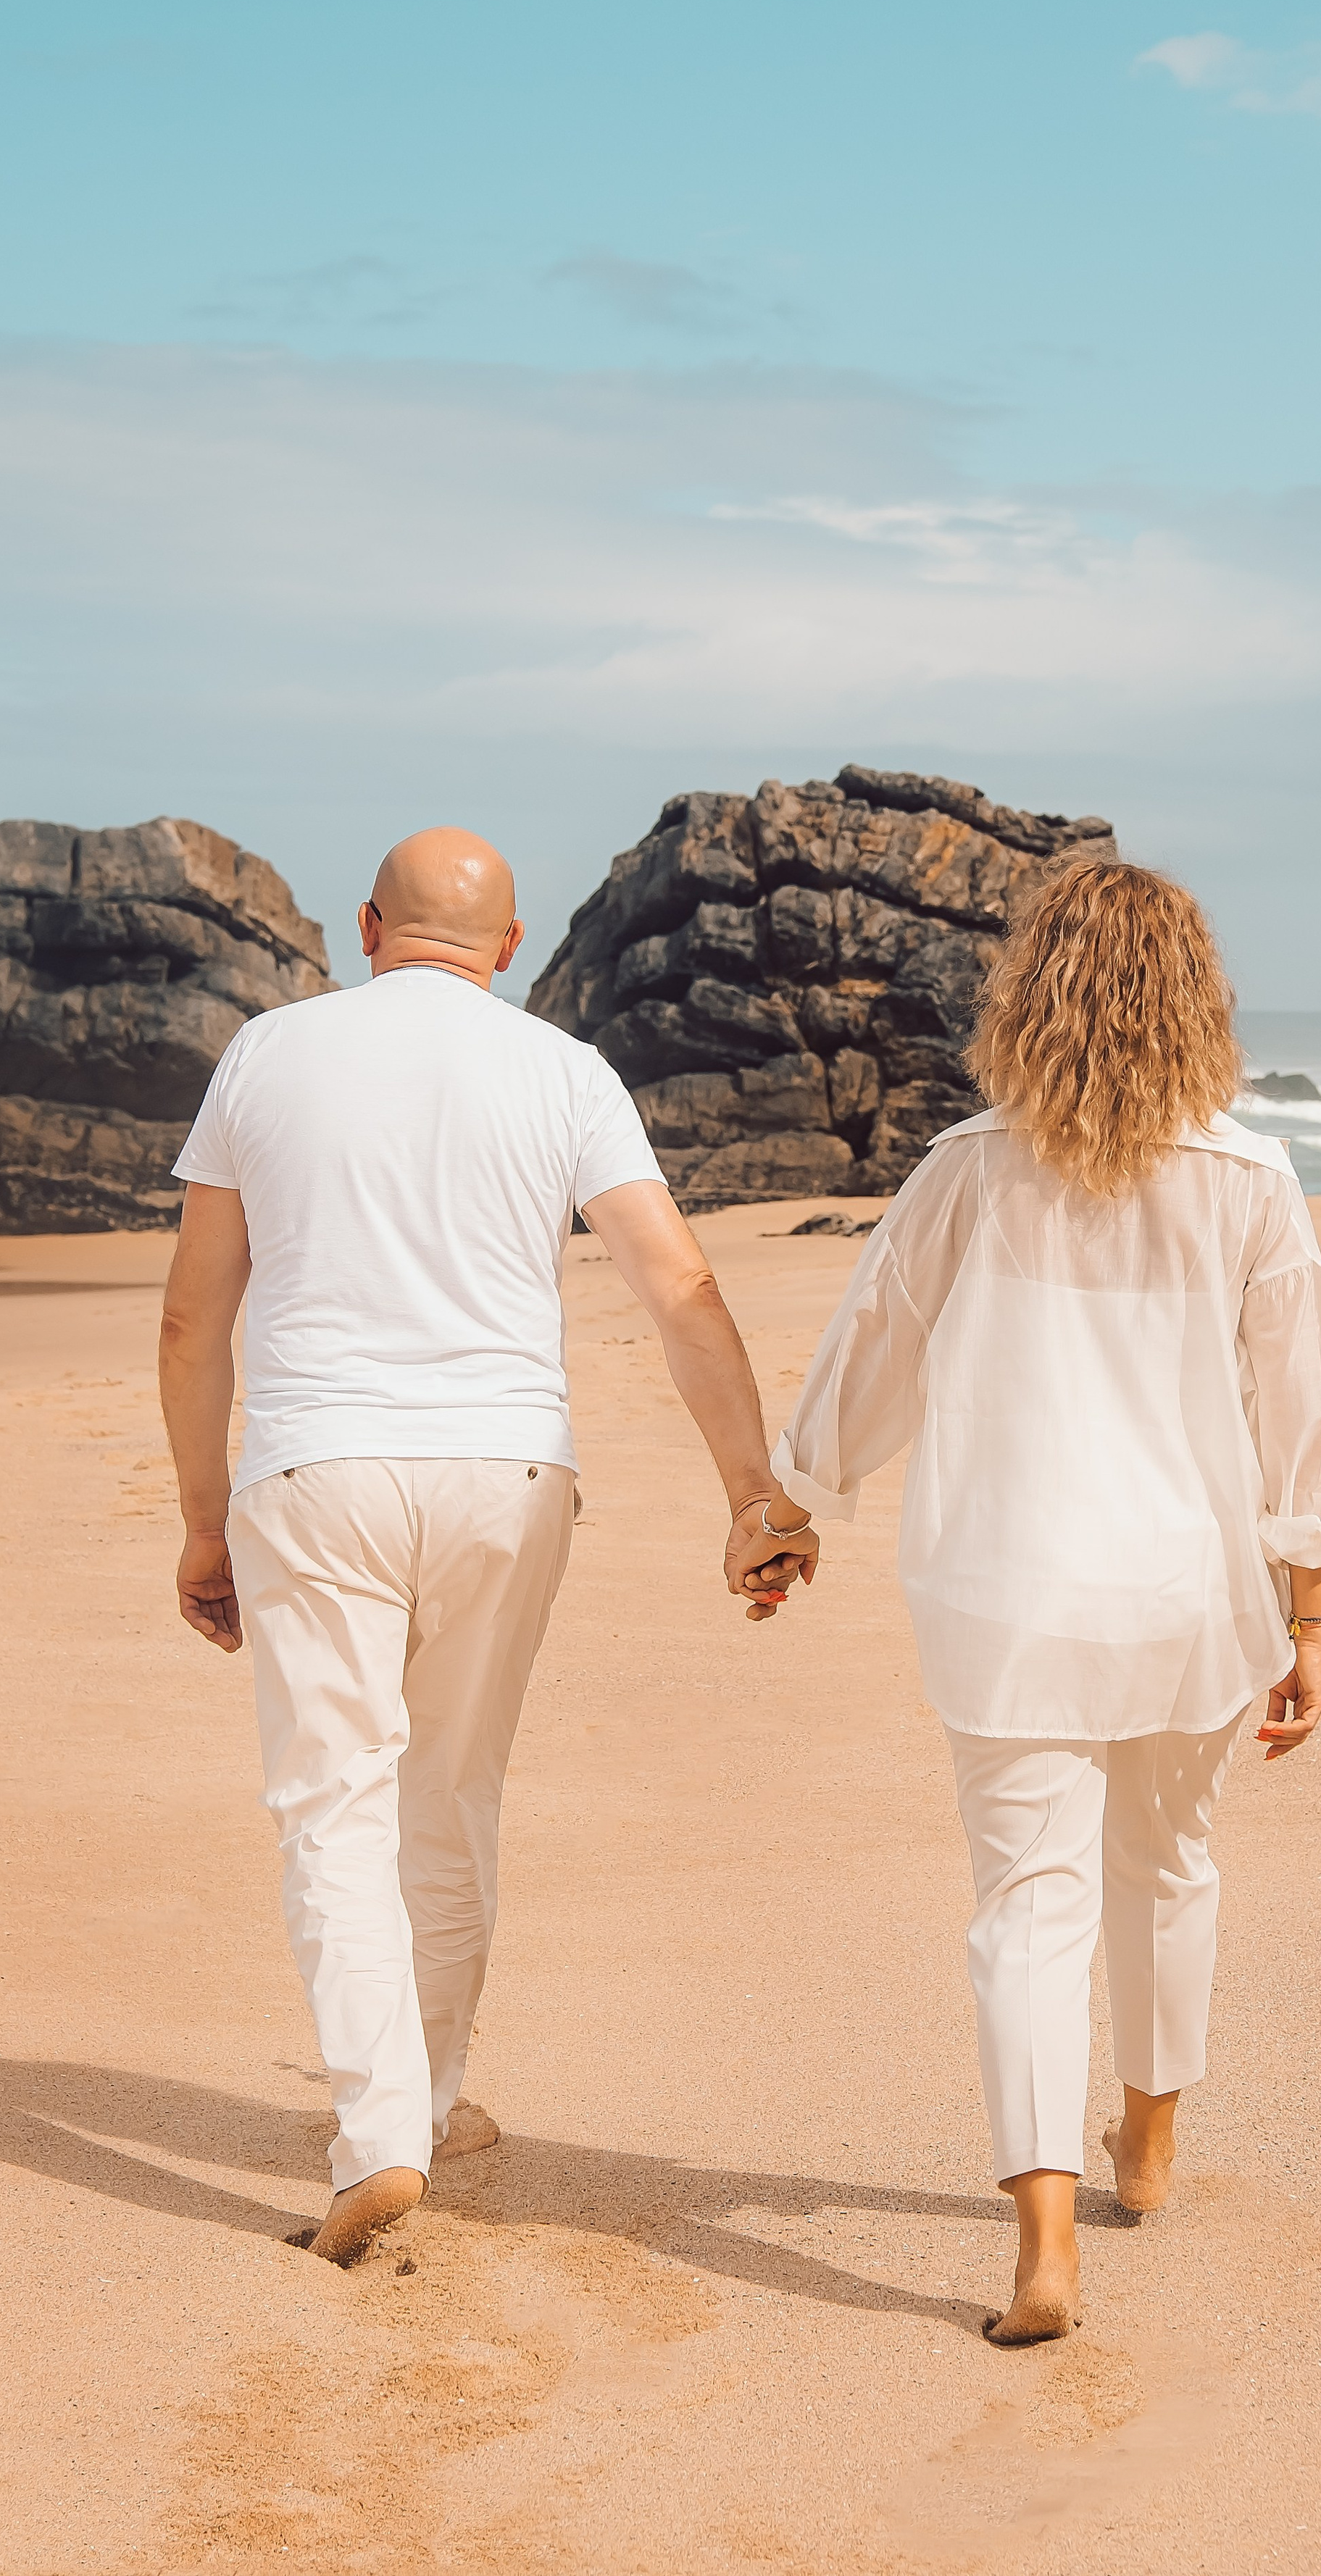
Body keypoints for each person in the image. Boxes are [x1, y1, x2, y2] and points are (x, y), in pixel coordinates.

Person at [158, 827, 817, 2267]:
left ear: (366, 926)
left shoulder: (269, 1053)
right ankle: (434, 2102)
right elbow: (678, 1284)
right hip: (508, 1472)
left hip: (312, 1468)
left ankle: (378, 2128)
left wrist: (206, 1523)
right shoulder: (562, 1069)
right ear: (508, 949)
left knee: (331, 1802)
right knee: (449, 1792)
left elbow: (192, 1315)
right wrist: (749, 1492)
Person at [772, 858, 1321, 2344]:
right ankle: (1146, 2151)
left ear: (1028, 992)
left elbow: (870, 1354)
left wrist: (792, 1498)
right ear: (1194, 1002)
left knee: (1026, 1905)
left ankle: (1042, 2248)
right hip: (1187, 1593)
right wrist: (1316, 1613)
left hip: (1009, 1591)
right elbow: (1299, 1417)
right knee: (1168, 1867)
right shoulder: (1250, 1180)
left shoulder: (969, 1167)